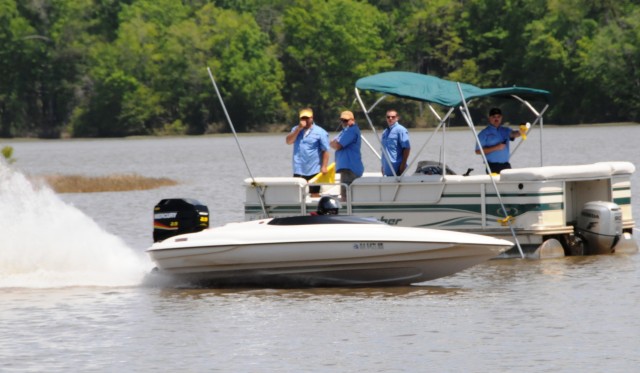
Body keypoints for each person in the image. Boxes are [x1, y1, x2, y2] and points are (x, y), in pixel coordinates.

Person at [285, 107, 330, 195]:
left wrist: (324, 166)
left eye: (307, 118)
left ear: (312, 118)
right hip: (298, 169)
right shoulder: (295, 129)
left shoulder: (320, 132)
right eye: (302, 118)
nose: (304, 120)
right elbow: (288, 141)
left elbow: (325, 150)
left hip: (314, 169)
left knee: (314, 193)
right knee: (297, 194)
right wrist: (298, 129)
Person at [475, 107, 522, 174]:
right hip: (492, 166)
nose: (496, 119)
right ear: (489, 118)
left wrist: (521, 131)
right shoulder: (483, 133)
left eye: (498, 117)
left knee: (508, 184)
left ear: (501, 118)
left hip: (506, 165)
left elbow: (514, 134)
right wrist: (496, 147)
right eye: (494, 117)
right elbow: (477, 151)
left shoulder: (506, 130)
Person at [330, 110, 364, 200]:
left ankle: (348, 213)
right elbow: (332, 143)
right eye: (342, 120)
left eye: (346, 120)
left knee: (346, 196)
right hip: (346, 169)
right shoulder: (345, 131)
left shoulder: (351, 130)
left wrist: (334, 143)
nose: (343, 122)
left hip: (349, 169)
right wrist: (333, 143)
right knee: (345, 195)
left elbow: (337, 145)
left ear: (353, 120)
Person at [381, 109, 411, 176]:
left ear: (397, 118)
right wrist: (383, 166)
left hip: (397, 170)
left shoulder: (401, 130)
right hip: (387, 170)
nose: (390, 118)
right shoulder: (385, 132)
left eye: (393, 117)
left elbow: (407, 148)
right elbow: (383, 151)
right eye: (388, 117)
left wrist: (402, 166)